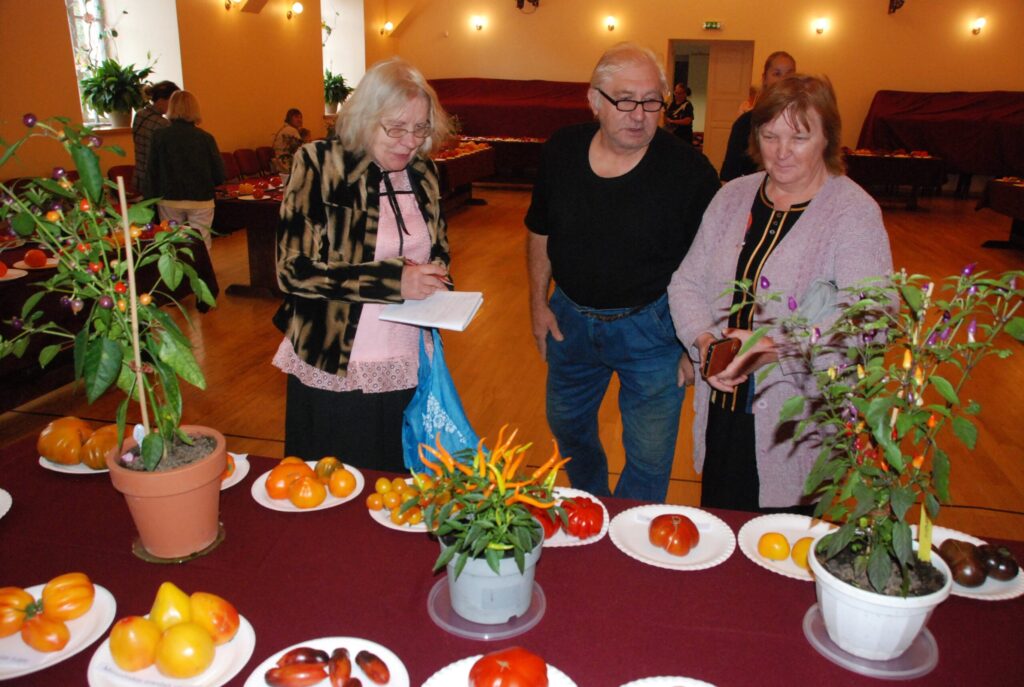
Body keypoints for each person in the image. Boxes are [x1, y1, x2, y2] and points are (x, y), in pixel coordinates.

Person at [667, 74, 893, 512]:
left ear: (827, 137)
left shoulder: (853, 212)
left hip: (798, 420)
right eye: (770, 135)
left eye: (799, 136)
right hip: (724, 405)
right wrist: (706, 342)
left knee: (785, 546)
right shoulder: (733, 196)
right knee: (725, 527)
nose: (781, 151)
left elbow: (872, 319)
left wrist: (774, 348)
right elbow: (686, 281)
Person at [526, 42, 720, 502]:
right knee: (567, 428)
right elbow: (539, 231)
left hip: (654, 330)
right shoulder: (561, 149)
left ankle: (627, 532)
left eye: (652, 101)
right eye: (625, 100)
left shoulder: (690, 172)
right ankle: (593, 504)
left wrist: (693, 343)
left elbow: (712, 265)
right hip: (569, 321)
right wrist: (537, 303)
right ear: (594, 100)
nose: (640, 114)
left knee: (650, 456)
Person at [272, 58, 453, 472]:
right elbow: (292, 269)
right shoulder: (319, 163)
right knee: (341, 486)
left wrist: (437, 279)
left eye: (421, 128)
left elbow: (438, 248)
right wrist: (392, 281)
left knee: (400, 481)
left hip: (410, 358)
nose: (411, 141)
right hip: (339, 362)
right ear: (366, 116)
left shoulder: (424, 172)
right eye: (397, 127)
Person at [146, 90, 225, 250]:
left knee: (173, 243)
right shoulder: (205, 138)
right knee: (201, 242)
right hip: (201, 199)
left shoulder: (159, 136)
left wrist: (150, 198)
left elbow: (152, 171)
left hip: (169, 199)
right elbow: (219, 174)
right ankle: (202, 273)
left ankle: (177, 274)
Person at [720, 51, 796, 181]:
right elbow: (730, 175)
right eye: (777, 74)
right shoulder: (745, 123)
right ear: (765, 79)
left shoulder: (806, 123)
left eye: (789, 74)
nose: (783, 80)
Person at [132, 80, 179, 198]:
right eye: (173, 102)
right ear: (162, 100)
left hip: (140, 176)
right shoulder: (164, 124)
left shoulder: (139, 115)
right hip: (157, 181)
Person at [272, 109, 307, 174]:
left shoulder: (285, 128)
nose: (299, 120)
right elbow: (303, 149)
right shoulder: (291, 130)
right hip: (285, 165)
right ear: (289, 118)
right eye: (296, 117)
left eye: (300, 117)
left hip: (279, 164)